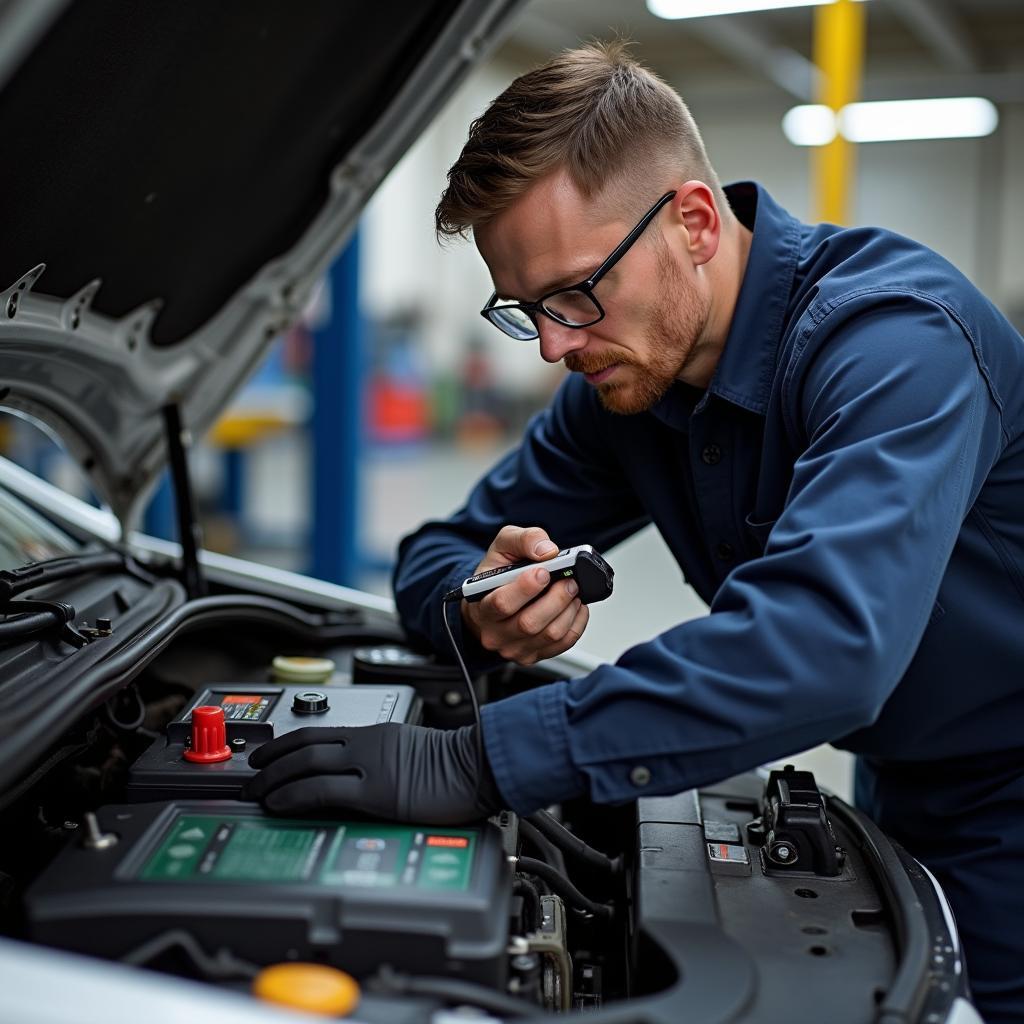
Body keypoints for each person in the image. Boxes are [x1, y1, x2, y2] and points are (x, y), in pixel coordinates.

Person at [245, 43, 1024, 1021]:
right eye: (524, 310)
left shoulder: (894, 345)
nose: (556, 345)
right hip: (905, 765)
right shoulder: (624, 381)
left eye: (574, 293)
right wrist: (479, 601)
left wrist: (477, 759)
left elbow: (823, 646)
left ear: (693, 222)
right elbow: (435, 552)